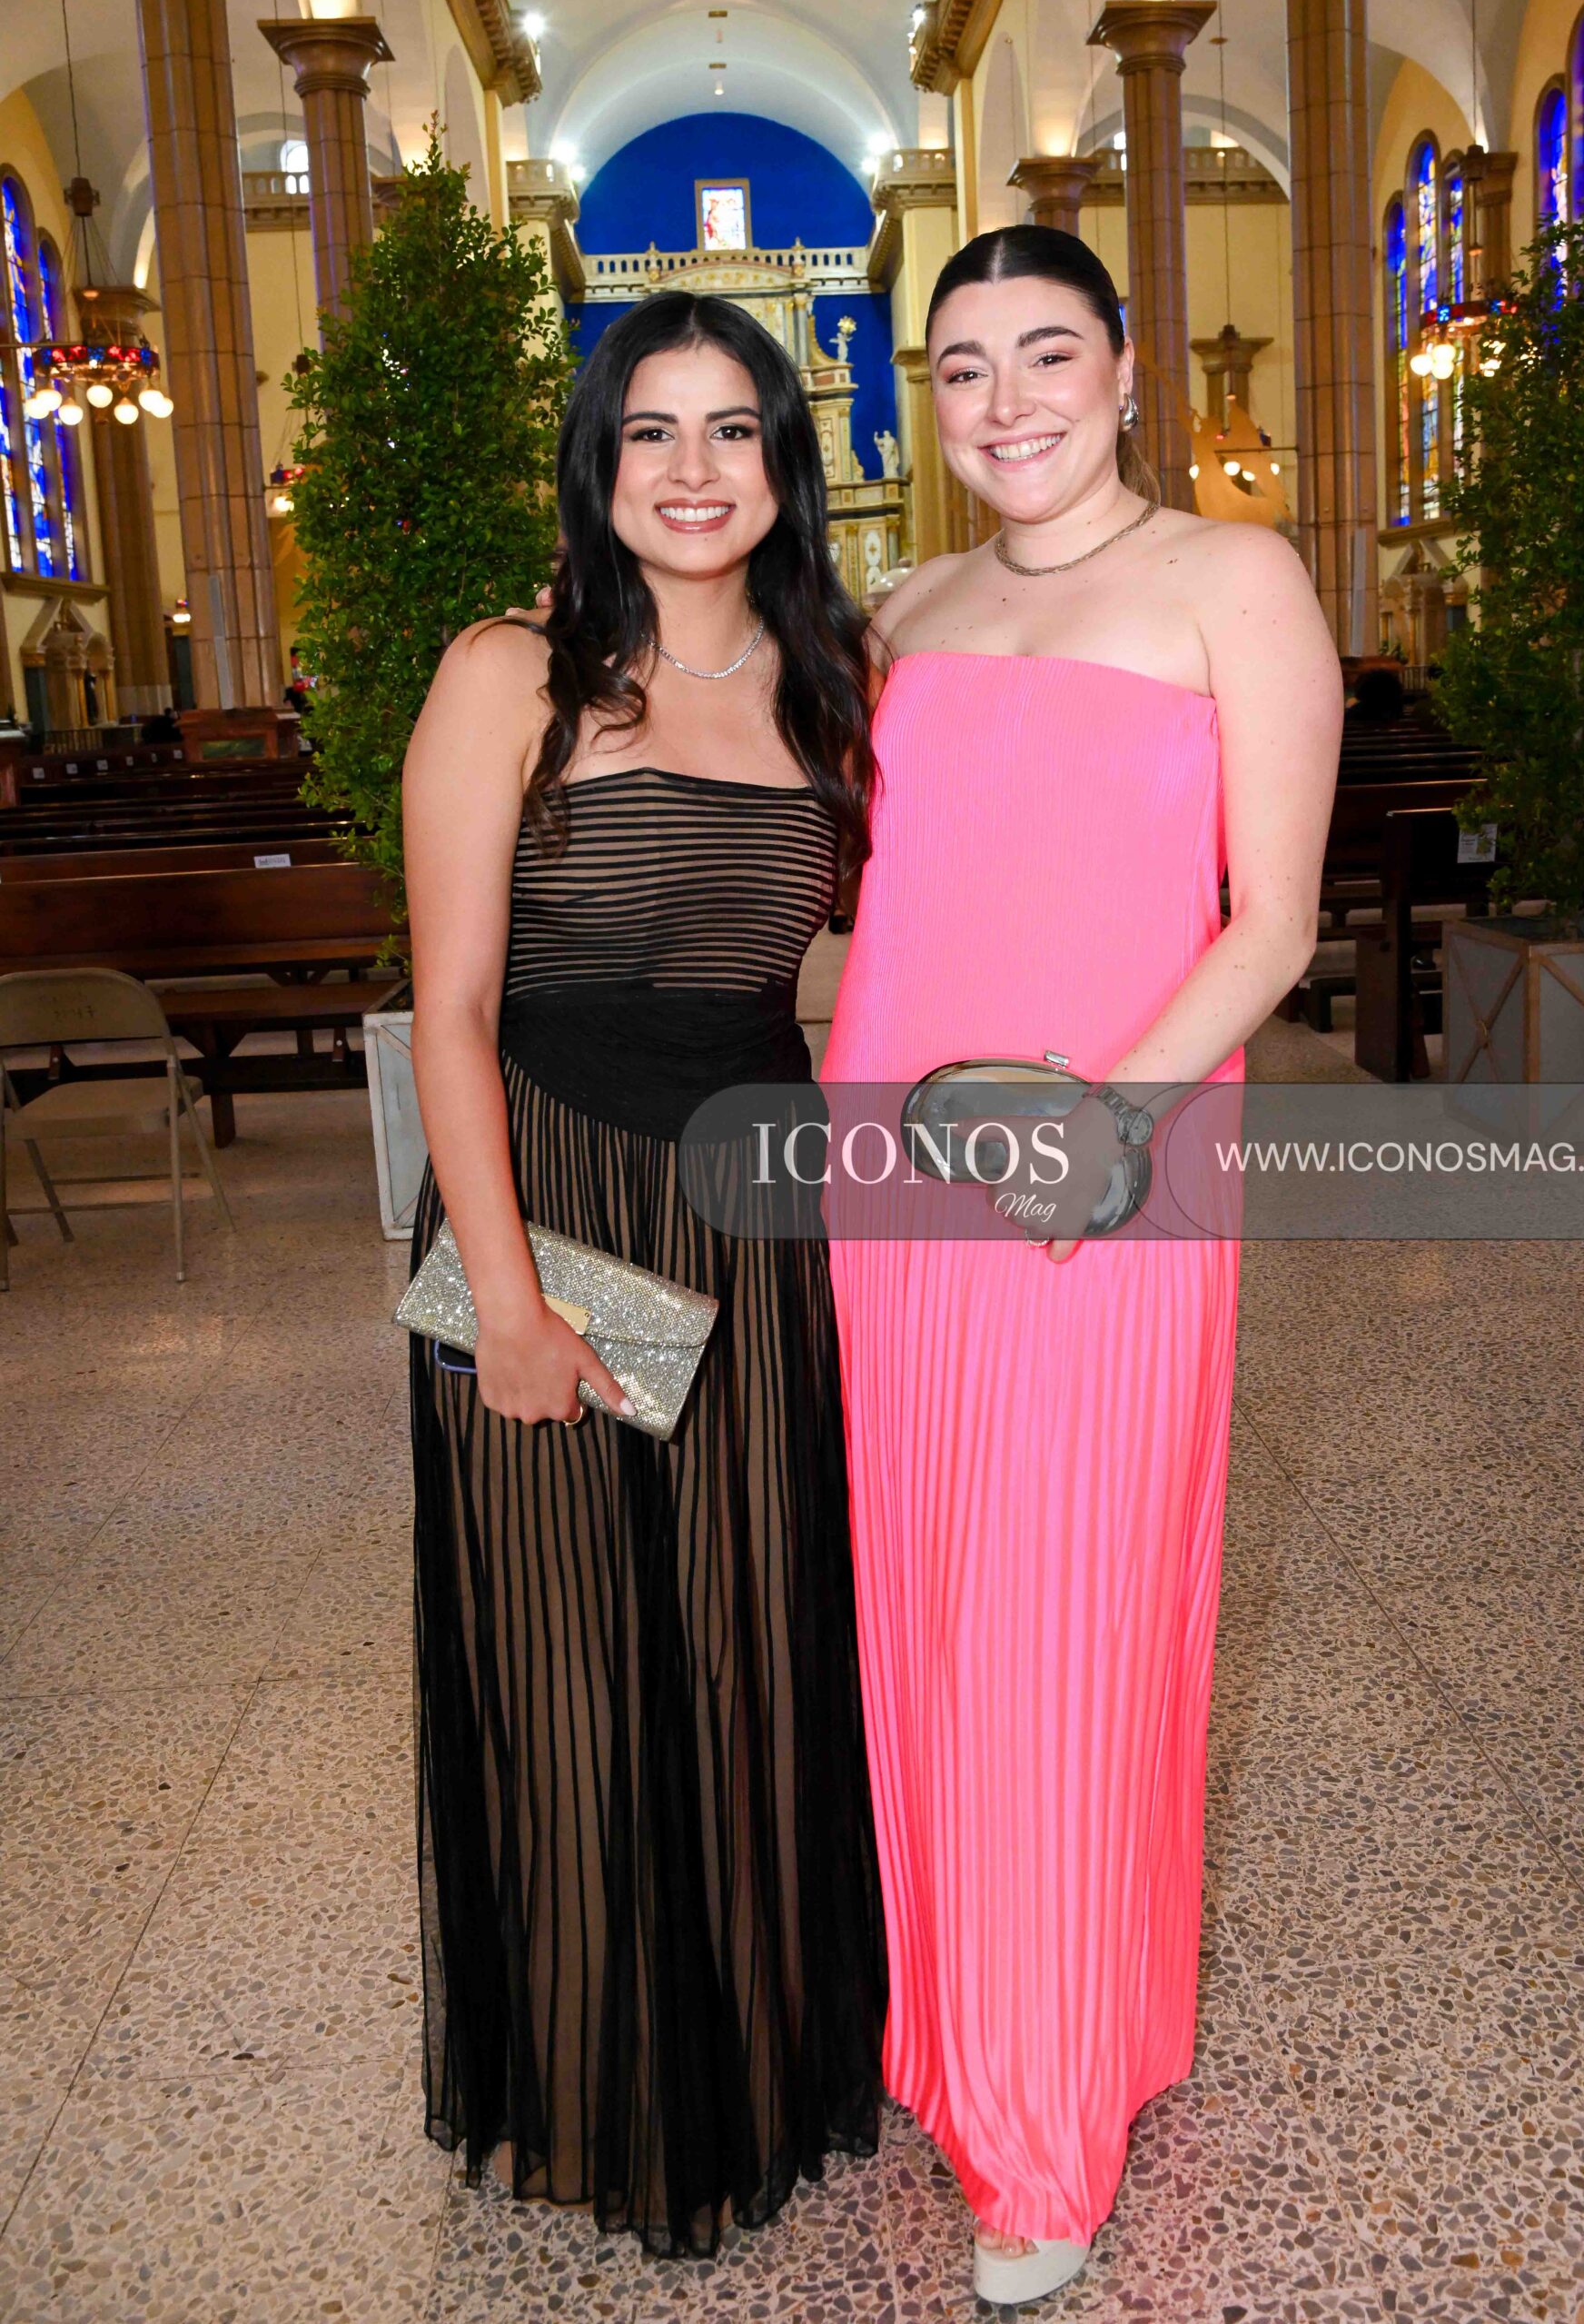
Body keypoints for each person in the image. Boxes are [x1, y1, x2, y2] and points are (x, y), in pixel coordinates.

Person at [822, 225, 1342, 2304]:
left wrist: (1102, 1120)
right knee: (935, 1602)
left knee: (1070, 1611)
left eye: (1046, 353)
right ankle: (975, 2025)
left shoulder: (1238, 579)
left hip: (1115, 1160)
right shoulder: (902, 610)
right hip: (897, 1169)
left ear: (1125, 368)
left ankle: (1044, 2124)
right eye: (961, 368)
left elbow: (1273, 919)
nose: (1006, 400)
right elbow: (880, 892)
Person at [401, 290, 887, 2258]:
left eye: (733, 429)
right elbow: (449, 1014)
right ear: (597, 462)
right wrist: (511, 1302)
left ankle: (757, 2059)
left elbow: (882, 958)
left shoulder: (832, 685)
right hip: (546, 1200)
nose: (694, 470)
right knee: (570, 1657)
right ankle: (598, 2082)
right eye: (651, 431)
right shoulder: (510, 673)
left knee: (753, 1643)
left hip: (755, 1224)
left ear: (786, 460)